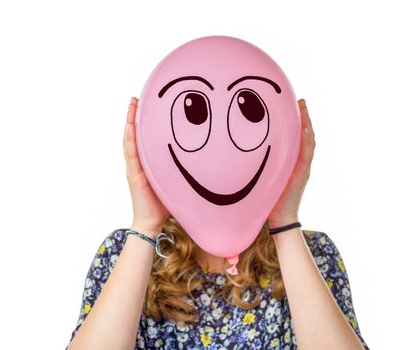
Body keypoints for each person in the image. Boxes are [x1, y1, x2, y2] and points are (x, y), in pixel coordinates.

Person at [66, 97, 369, 349]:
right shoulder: (124, 252)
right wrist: (145, 227)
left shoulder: (313, 254)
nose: (219, 159)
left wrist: (285, 223)